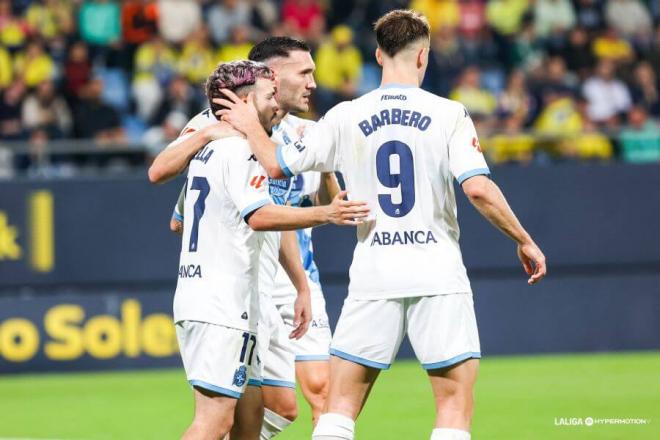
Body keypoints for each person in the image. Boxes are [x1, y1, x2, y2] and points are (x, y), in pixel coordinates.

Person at [216, 10, 547, 440]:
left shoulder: (345, 115)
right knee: (452, 407)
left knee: (338, 411)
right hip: (437, 276)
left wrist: (247, 125)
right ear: (423, 56)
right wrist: (523, 240)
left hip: (374, 276)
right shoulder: (449, 114)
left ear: (377, 54)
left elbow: (278, 165)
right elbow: (478, 190)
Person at [149, 37, 342, 437]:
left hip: (250, 294)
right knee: (216, 419)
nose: (312, 83)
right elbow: (259, 215)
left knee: (254, 418)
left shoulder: (289, 135)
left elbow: (188, 217)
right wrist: (326, 213)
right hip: (224, 299)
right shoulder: (228, 142)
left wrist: (299, 285)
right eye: (303, 73)